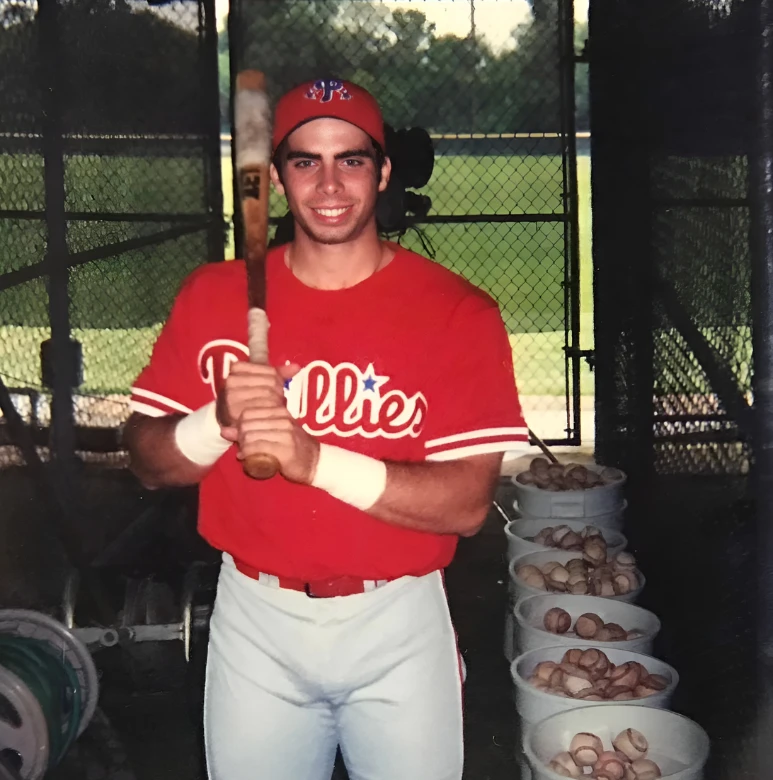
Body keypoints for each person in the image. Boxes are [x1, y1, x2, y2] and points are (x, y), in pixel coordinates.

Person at [123, 77, 529, 780]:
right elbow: (145, 460)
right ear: (276, 179)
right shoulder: (211, 295)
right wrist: (215, 421)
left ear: (383, 172)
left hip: (398, 624)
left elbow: (465, 505)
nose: (330, 183)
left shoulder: (458, 312)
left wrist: (313, 461)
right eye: (305, 160)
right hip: (254, 621)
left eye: (351, 159)